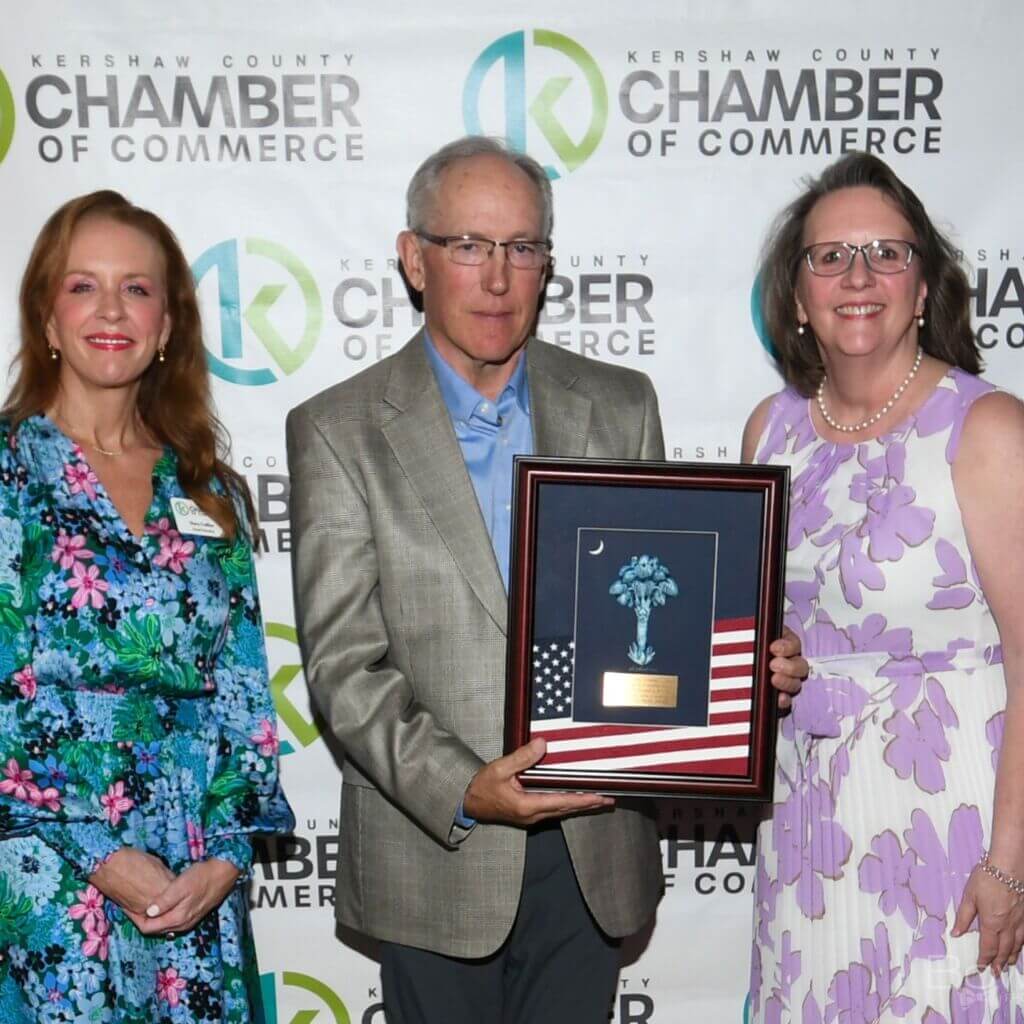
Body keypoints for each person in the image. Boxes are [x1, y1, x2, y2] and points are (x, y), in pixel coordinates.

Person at [287, 135, 807, 1023]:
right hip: (434, 857)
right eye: (469, 245)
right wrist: (463, 785)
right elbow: (343, 667)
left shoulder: (621, 401)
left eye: (522, 248)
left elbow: (658, 600)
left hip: (593, 852)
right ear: (415, 259)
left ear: (547, 265)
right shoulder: (337, 429)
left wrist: (742, 667)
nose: (498, 277)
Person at [0, 191, 295, 1022]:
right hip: (47, 868)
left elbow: (243, 694)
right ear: (47, 320)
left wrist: (229, 855)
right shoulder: (8, 475)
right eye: (82, 286)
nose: (111, 310)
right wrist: (100, 854)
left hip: (195, 873)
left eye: (137, 289)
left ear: (167, 325)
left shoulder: (208, 491)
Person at [744, 152, 1024, 1020]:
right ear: (796, 297)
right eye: (830, 256)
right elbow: (761, 634)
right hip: (807, 833)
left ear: (924, 284)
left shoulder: (985, 429)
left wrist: (1010, 862)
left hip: (953, 838)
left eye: (886, 254)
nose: (857, 276)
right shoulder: (771, 431)